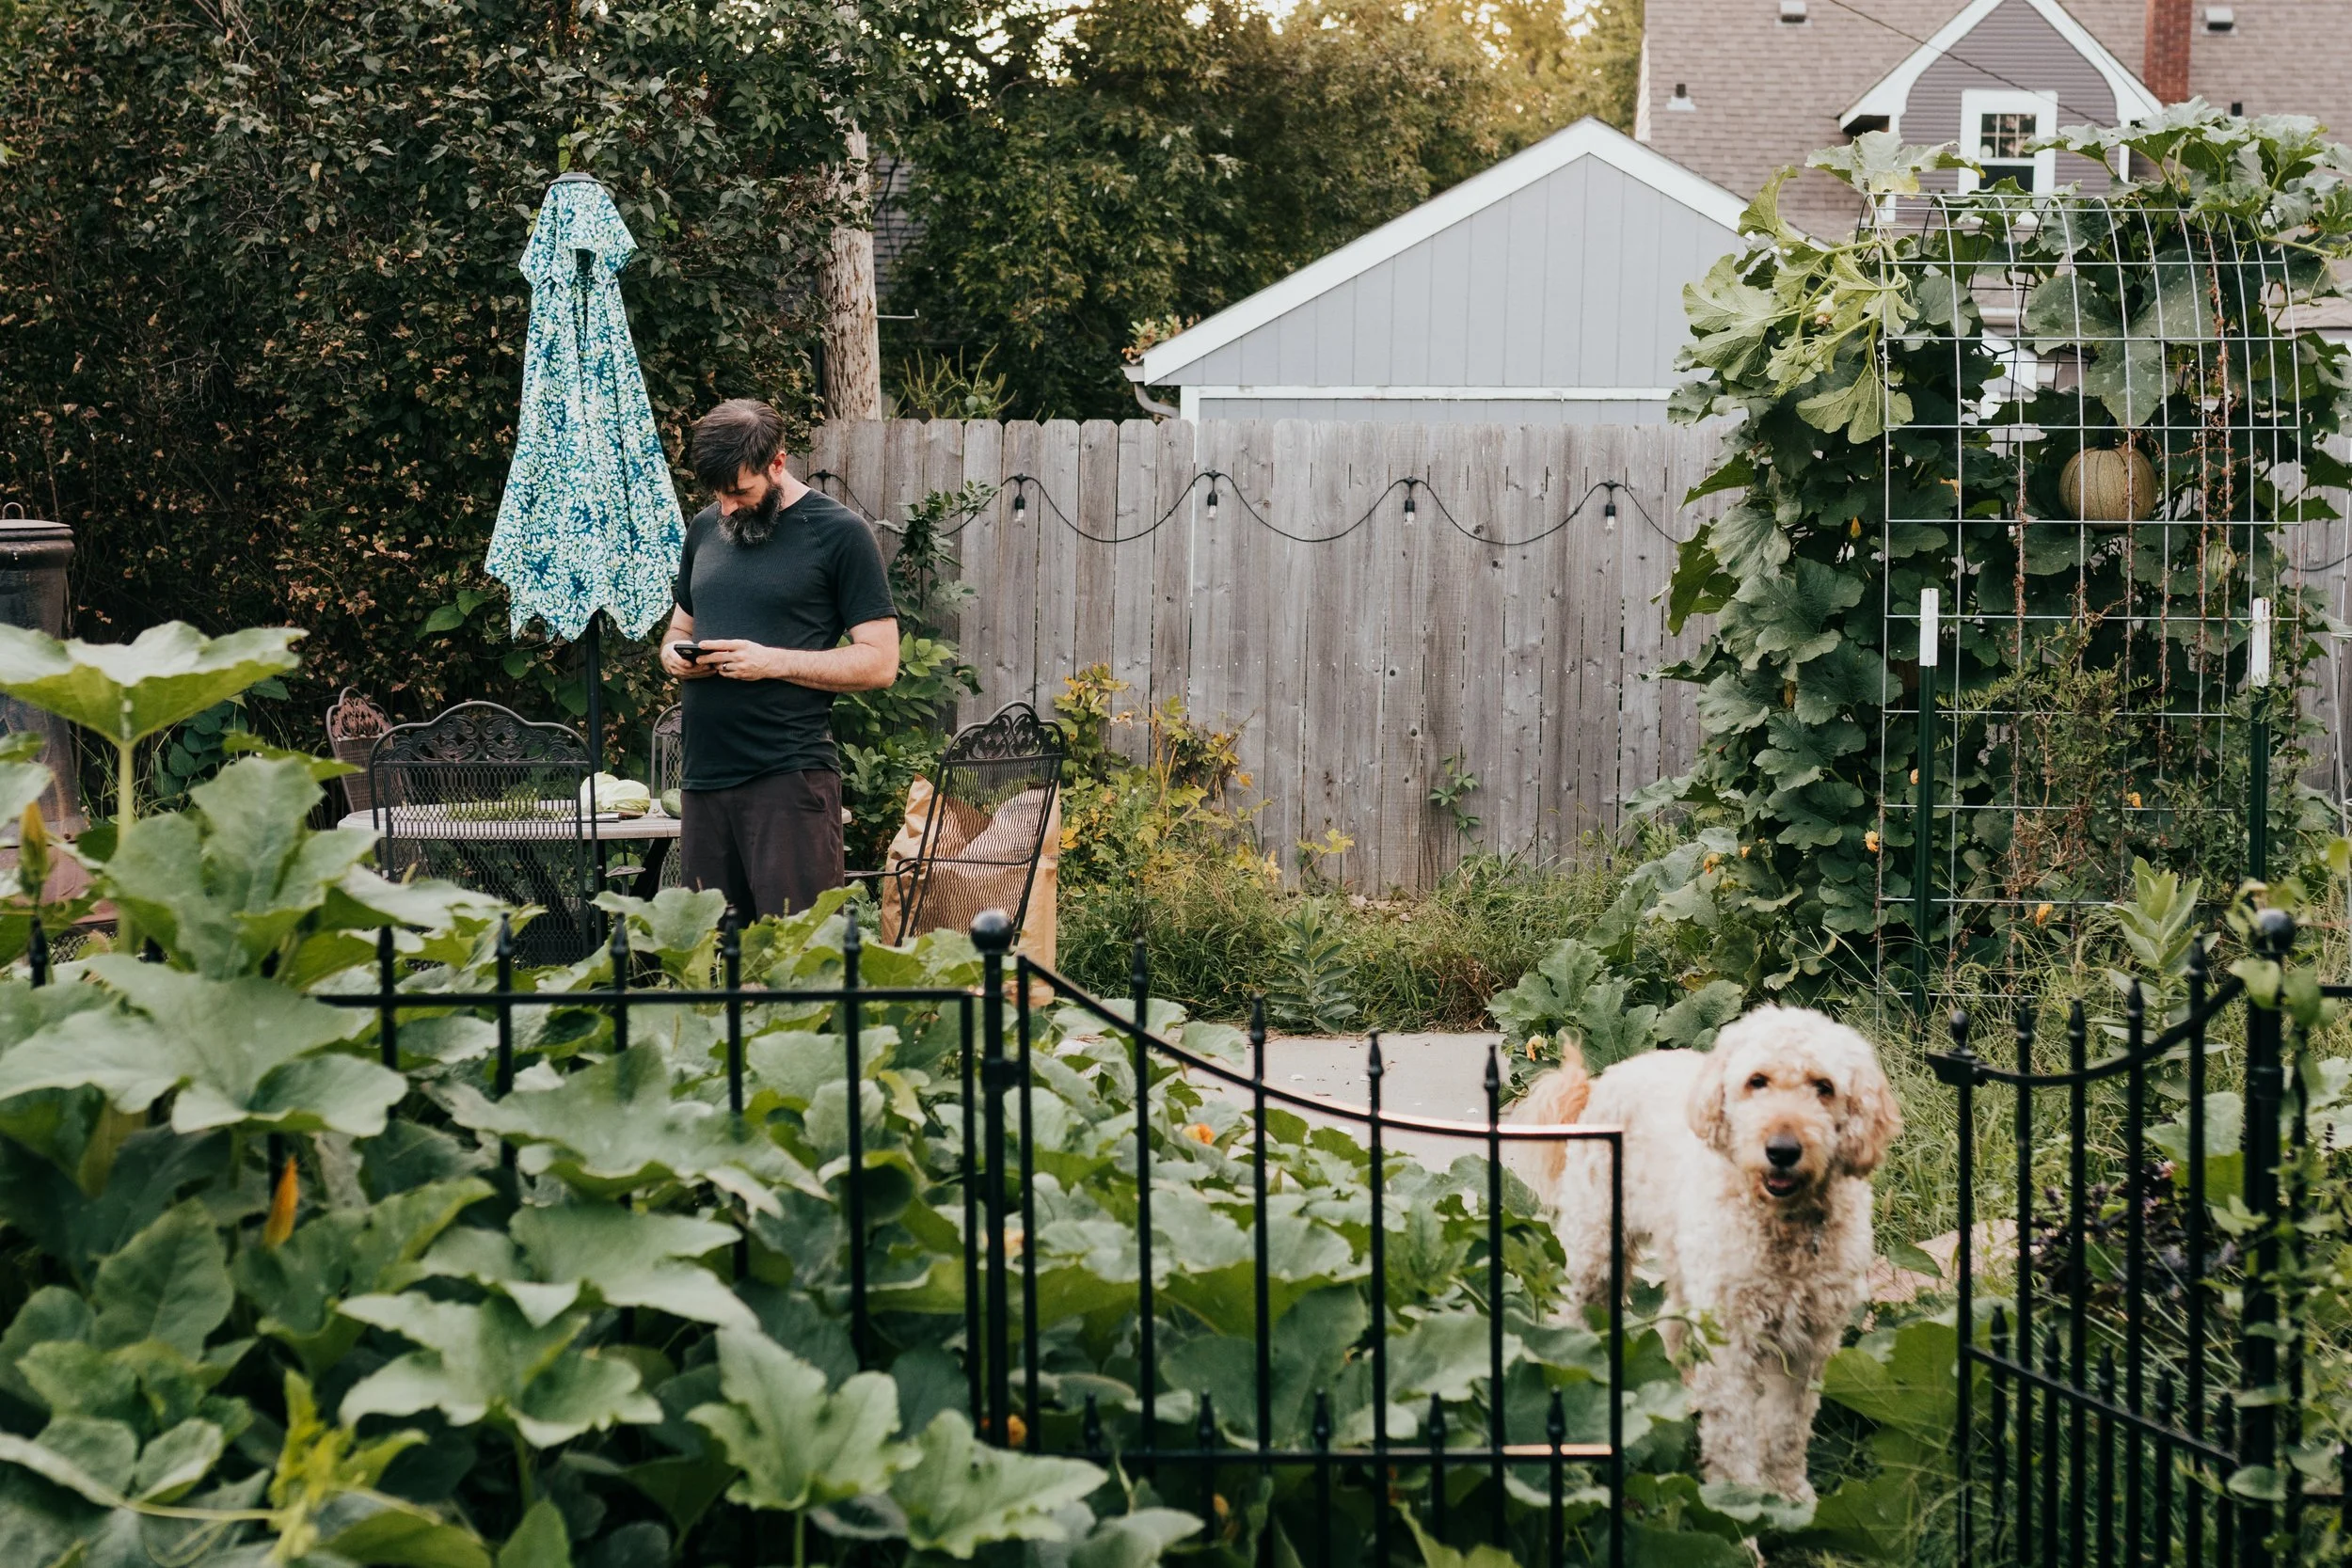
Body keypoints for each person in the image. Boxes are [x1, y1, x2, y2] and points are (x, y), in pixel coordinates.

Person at [660, 399, 898, 917]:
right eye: (718, 494)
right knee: (712, 962)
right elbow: (680, 626)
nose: (727, 507)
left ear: (777, 463)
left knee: (799, 963)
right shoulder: (704, 528)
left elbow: (880, 663)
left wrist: (772, 662)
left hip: (787, 779)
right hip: (703, 777)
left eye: (740, 492)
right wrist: (675, 655)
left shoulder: (839, 534)